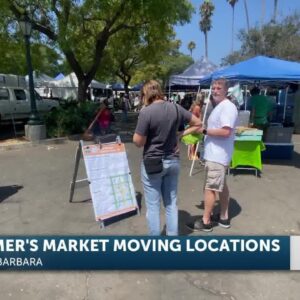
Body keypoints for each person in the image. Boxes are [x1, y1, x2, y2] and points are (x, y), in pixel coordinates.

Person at [133, 80, 201, 236]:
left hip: (153, 162)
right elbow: (198, 123)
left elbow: (138, 142)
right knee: (171, 204)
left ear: (146, 94)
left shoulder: (146, 112)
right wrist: (179, 134)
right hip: (173, 160)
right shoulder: (176, 107)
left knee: (153, 206)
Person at [186, 78, 238, 232]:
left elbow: (225, 131)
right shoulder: (220, 106)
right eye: (213, 88)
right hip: (216, 154)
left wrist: (204, 131)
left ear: (226, 90)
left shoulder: (227, 107)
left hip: (218, 156)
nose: (215, 90)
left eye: (218, 88)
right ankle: (223, 217)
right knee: (221, 187)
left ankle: (206, 221)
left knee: (210, 188)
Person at [187, 95, 205, 160]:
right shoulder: (197, 107)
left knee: (193, 140)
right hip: (195, 125)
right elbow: (199, 117)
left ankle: (191, 154)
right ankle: (192, 155)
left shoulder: (193, 106)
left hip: (192, 124)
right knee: (194, 141)